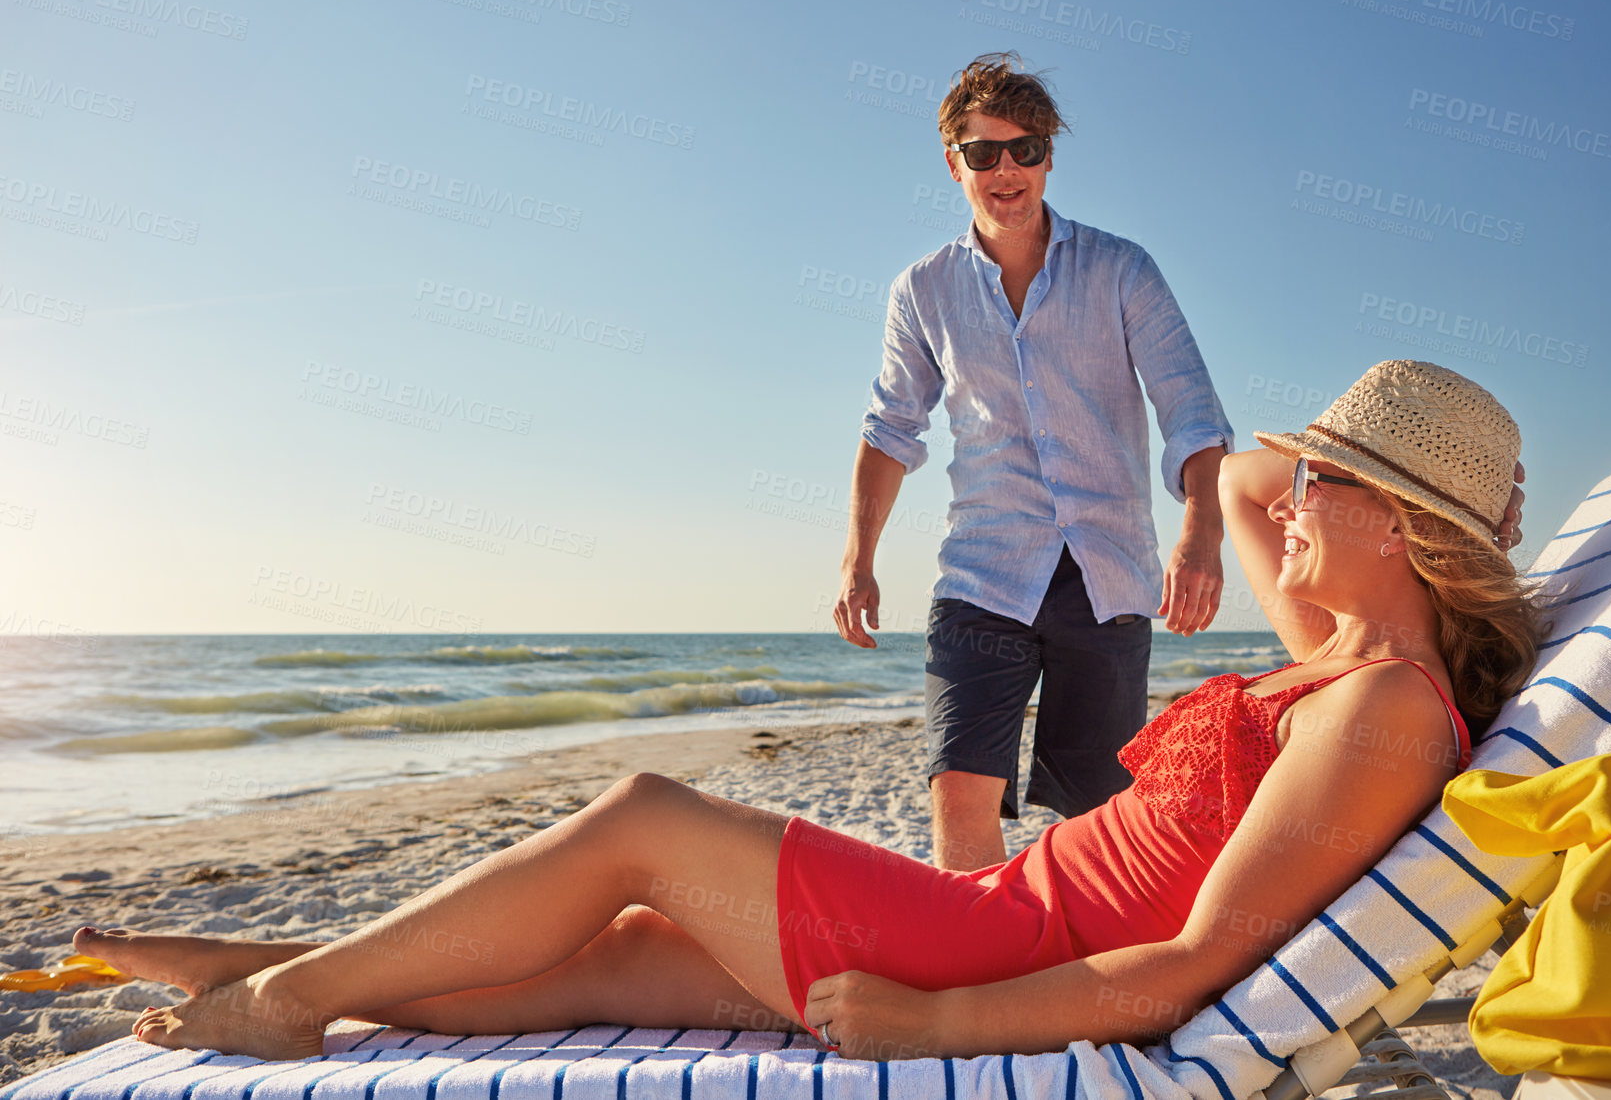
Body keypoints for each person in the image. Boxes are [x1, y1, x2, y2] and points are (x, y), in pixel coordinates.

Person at [80, 359, 1536, 1063]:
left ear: (1401, 529)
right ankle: (243, 970)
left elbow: (1192, 962)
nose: (1296, 504)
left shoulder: (1383, 712)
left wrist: (933, 1020)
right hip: (989, 905)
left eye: (1336, 482)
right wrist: (1346, 473)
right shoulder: (1336, 651)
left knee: (644, 818)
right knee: (618, 952)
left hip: (987, 944)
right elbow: (1240, 484)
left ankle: (284, 1002)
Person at [833, 53, 1235, 871]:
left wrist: (1201, 535)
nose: (1006, 170)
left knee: (1100, 814)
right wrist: (857, 559)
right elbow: (890, 430)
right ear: (954, 163)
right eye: (984, 154)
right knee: (960, 784)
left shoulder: (1122, 269)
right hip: (983, 572)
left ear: (1050, 156)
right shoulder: (922, 291)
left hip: (1109, 574)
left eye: (1026, 149)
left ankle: (1066, 978)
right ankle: (974, 977)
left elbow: (1189, 408)